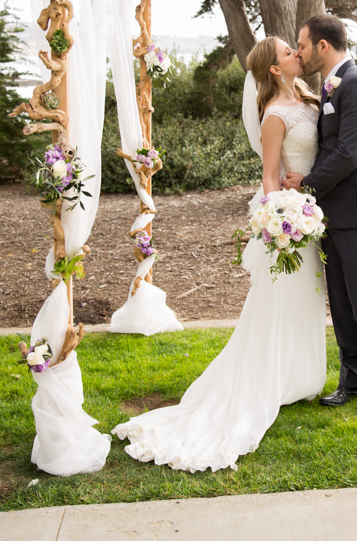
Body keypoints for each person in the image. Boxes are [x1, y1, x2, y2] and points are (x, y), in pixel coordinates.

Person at [112, 37, 327, 472]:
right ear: (273, 68)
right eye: (288, 53)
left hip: (312, 213)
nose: (296, 55)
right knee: (281, 300)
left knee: (307, 299)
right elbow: (269, 174)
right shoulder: (273, 115)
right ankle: (271, 380)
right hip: (290, 223)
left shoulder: (309, 97)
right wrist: (280, 222)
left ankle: (300, 377)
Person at [282, 14, 357, 419]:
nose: (298, 52)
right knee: (343, 304)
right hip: (334, 214)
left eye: (301, 44)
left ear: (322, 46)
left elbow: (350, 153)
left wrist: (307, 185)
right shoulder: (331, 88)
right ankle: (352, 380)